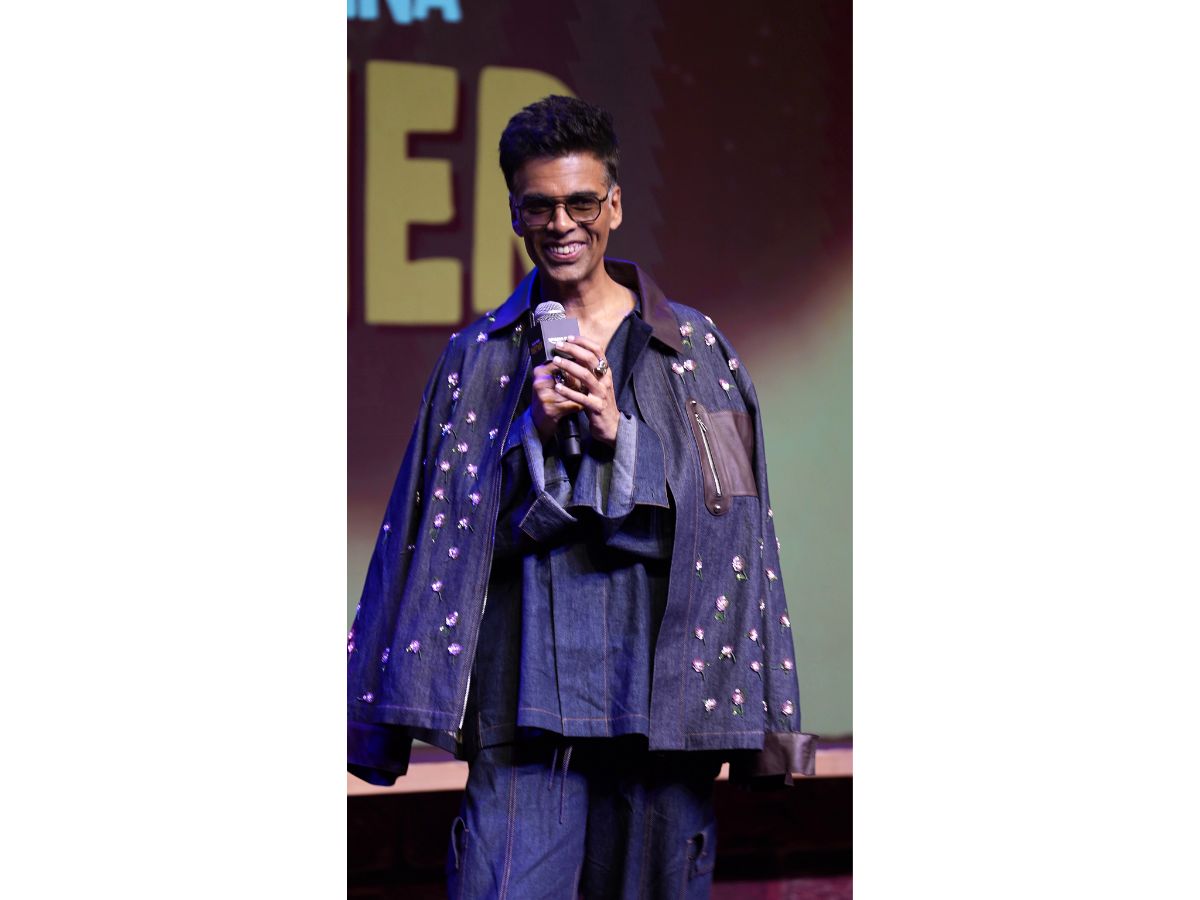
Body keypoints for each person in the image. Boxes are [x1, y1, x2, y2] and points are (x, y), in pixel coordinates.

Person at [348, 95, 815, 899]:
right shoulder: (476, 360)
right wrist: (526, 432)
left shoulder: (699, 351)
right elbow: (434, 540)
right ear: (515, 214)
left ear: (615, 206)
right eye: (540, 206)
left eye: (581, 203)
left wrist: (618, 436)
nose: (562, 223)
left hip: (661, 715)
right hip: (521, 715)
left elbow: (736, 529)